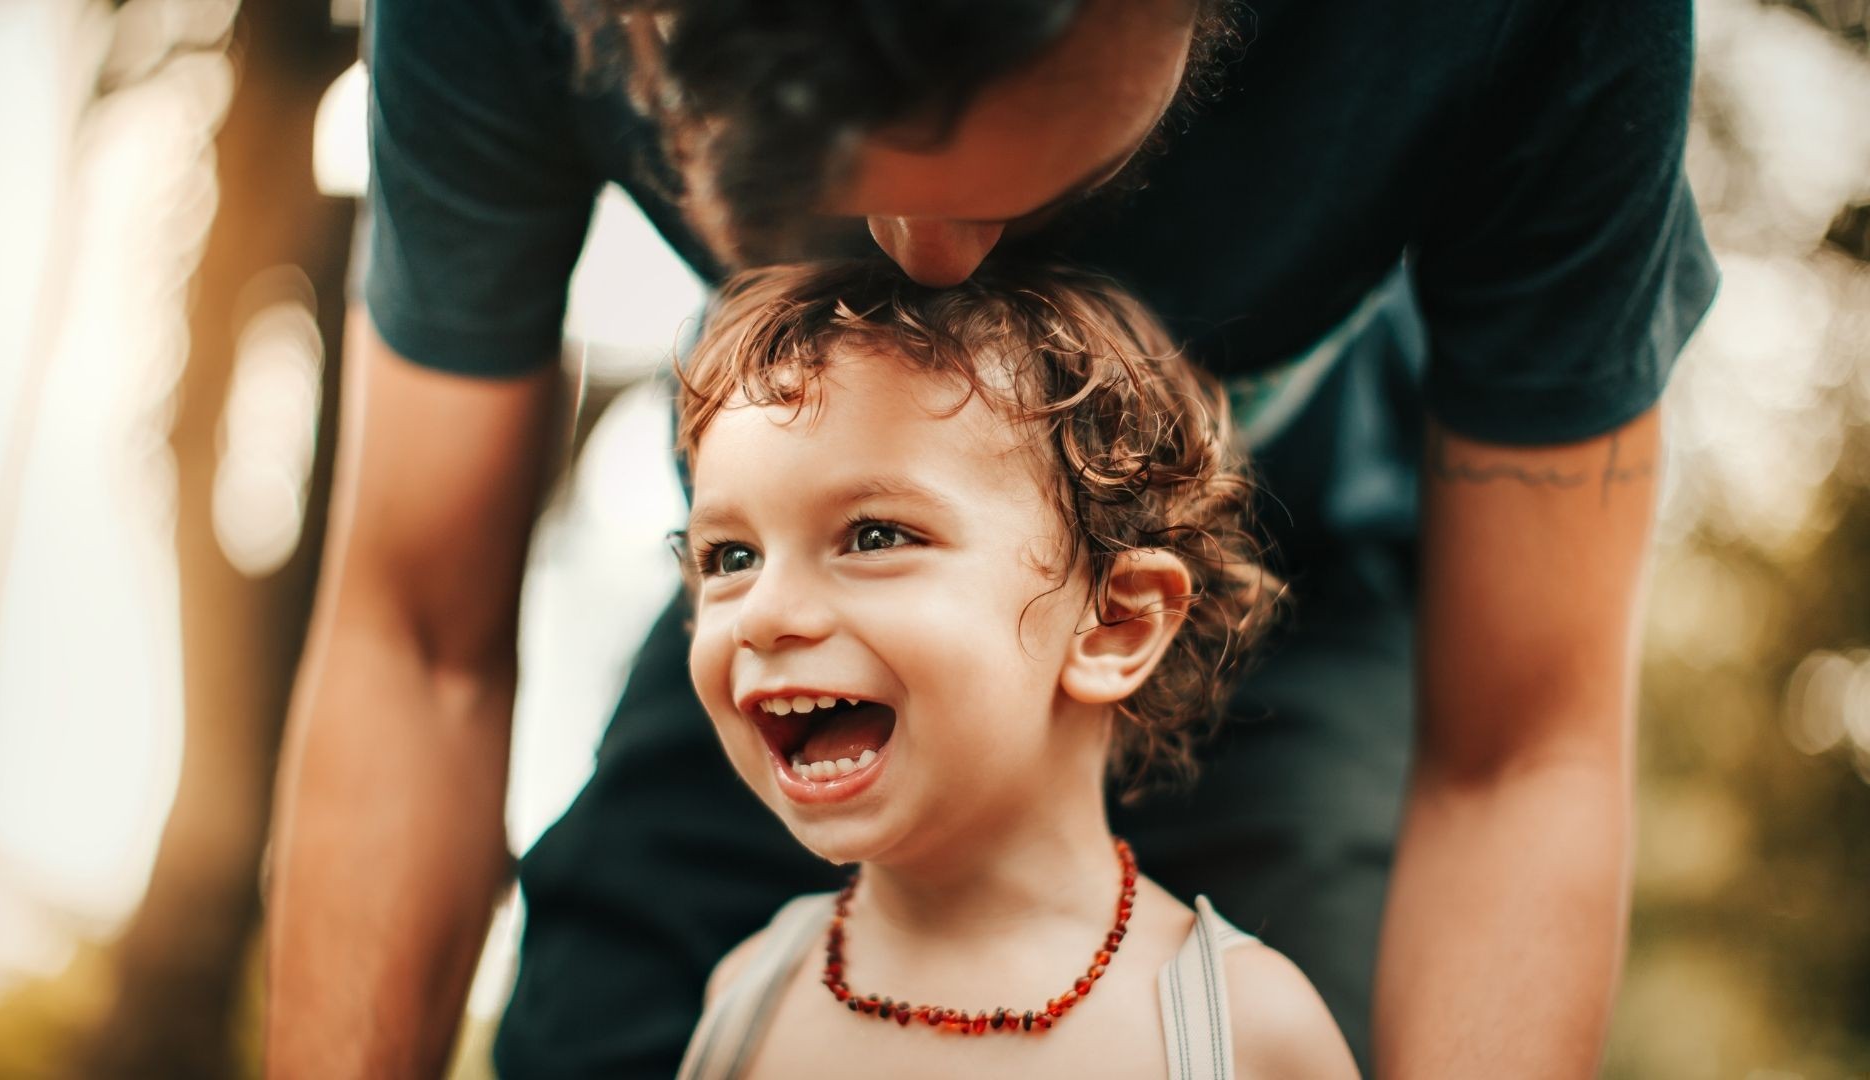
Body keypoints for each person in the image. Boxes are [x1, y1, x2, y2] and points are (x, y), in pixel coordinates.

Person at [262, 0, 1719, 1076]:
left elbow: (1521, 750)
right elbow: (418, 642)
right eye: (817, 173)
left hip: (1308, 600)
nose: (925, 257)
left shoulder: (1535, 33)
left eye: (1003, 173)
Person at [669, 260, 1355, 1079]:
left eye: (876, 537)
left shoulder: (1249, 1033)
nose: (765, 613)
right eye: (731, 555)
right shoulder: (748, 996)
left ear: (1116, 623)